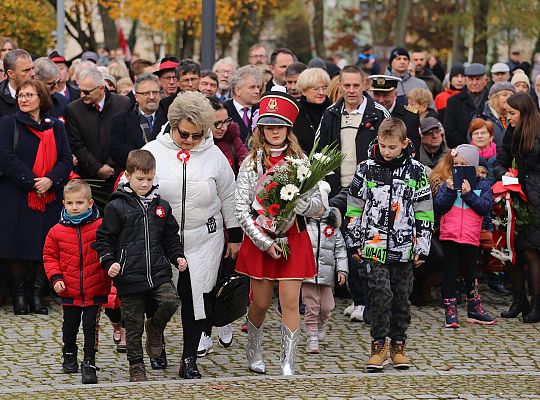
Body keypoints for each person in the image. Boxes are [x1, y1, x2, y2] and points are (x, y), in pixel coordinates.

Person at [143, 91, 241, 378]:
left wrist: (234, 235)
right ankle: (156, 332)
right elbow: (132, 187)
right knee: (160, 299)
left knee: (197, 298)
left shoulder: (215, 156)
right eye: (184, 134)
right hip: (162, 240)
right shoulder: (153, 151)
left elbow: (229, 196)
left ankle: (189, 359)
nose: (189, 141)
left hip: (204, 239)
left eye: (197, 135)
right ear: (173, 125)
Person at [235, 91, 323, 376]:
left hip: (293, 240)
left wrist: (299, 201)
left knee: (289, 301)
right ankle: (254, 350)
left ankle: (288, 360)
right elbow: (241, 210)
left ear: (289, 128)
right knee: (259, 303)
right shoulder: (250, 164)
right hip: (260, 241)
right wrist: (263, 242)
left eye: (280, 125)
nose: (275, 131)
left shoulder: (301, 163)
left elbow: (318, 207)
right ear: (261, 128)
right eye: (269, 125)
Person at [345, 117, 433, 371]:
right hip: (373, 244)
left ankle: (398, 345)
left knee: (401, 298)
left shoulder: (416, 171)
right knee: (380, 294)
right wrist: (354, 241)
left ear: (404, 144)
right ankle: (378, 344)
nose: (386, 151)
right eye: (383, 146)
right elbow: (354, 207)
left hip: (405, 247)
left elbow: (424, 211)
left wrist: (422, 246)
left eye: (392, 147)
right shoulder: (366, 169)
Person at [95, 149, 185, 382]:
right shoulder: (117, 206)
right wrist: (110, 262)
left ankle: (154, 328)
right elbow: (105, 238)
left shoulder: (161, 206)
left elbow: (170, 237)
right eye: (140, 179)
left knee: (170, 301)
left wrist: (177, 257)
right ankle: (136, 366)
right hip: (129, 275)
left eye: (150, 179)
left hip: (157, 270)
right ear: (127, 175)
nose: (145, 184)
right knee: (133, 325)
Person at [316, 65, 389, 324]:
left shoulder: (378, 113)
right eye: (346, 85)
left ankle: (370, 302)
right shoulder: (331, 113)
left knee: (368, 247)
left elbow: (390, 151)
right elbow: (320, 150)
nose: (351, 90)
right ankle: (358, 300)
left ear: (364, 85)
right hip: (339, 191)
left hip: (369, 193)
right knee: (347, 245)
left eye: (356, 85)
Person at [0, 80, 73, 315]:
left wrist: (50, 180)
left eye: (29, 95)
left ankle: (38, 295)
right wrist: (32, 182)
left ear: (41, 99)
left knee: (45, 247)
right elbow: (5, 157)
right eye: (20, 95)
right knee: (18, 245)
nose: (23, 99)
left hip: (49, 195)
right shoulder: (8, 124)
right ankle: (20, 296)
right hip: (18, 195)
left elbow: (65, 158)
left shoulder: (55, 127)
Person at [43, 179, 110, 384]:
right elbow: (50, 257)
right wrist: (56, 278)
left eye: (79, 203)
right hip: (69, 289)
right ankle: (69, 352)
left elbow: (109, 250)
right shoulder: (56, 231)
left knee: (91, 327)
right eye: (70, 203)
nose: (74, 207)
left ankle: (89, 361)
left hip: (95, 287)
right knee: (69, 326)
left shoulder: (101, 226)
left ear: (90, 203)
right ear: (64, 204)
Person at [432, 145, 496, 328]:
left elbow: (485, 207)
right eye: (456, 164)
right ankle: (450, 310)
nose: (459, 168)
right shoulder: (448, 183)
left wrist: (468, 194)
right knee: (450, 272)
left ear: (474, 168)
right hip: (450, 234)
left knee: (471, 273)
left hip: (470, 235)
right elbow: (439, 207)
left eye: (464, 165)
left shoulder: (482, 185)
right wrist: (451, 191)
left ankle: (474, 308)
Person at [494, 92, 540, 323]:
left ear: (524, 112)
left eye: (512, 113)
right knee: (511, 252)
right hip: (514, 197)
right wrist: (504, 176)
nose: (508, 117)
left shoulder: (538, 130)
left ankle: (536, 302)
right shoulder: (511, 132)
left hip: (536, 200)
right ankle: (519, 299)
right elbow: (500, 161)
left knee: (532, 252)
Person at [66, 69, 131, 208]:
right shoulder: (73, 109)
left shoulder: (123, 103)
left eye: (86, 91)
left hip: (120, 175)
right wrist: (97, 168)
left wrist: (111, 165)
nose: (82, 95)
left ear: (101, 88)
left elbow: (125, 138)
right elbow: (76, 144)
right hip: (90, 178)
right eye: (80, 90)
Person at [303, 182, 348, 354]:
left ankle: (322, 323)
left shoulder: (332, 227)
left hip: (326, 274)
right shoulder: (305, 226)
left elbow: (340, 248)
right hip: (308, 274)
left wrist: (342, 269)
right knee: (311, 305)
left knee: (327, 306)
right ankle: (312, 334)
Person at [109, 73, 161, 171]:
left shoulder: (169, 119)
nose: (151, 97)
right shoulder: (120, 120)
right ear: (136, 96)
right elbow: (116, 150)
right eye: (146, 93)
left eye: (155, 92)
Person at [368, 75, 422, 159]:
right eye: (377, 95)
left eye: (385, 95)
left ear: (396, 94)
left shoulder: (410, 116)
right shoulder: (368, 115)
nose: (381, 100)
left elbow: (414, 150)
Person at [444, 63, 489, 147]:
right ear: (466, 80)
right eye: (471, 79)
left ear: (485, 80)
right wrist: (467, 146)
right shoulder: (453, 102)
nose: (474, 83)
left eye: (478, 79)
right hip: (462, 150)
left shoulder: (492, 100)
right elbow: (449, 130)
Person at [293, 67, 332, 153]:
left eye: (324, 88)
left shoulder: (333, 111)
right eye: (315, 89)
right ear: (303, 91)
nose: (321, 92)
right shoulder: (296, 112)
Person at [207, 96, 248, 177]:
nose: (224, 128)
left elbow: (247, 165)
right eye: (218, 123)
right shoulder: (191, 142)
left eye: (226, 121)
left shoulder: (232, 137)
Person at [224, 65, 263, 143]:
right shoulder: (224, 110)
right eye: (252, 87)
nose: (257, 91)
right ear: (238, 90)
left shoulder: (262, 110)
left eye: (258, 87)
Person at [473, 82, 515, 147]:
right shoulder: (481, 116)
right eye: (504, 95)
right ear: (494, 97)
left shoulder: (515, 116)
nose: (508, 98)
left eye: (511, 96)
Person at [0, 49, 35, 118]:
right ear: (11, 74)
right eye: (26, 70)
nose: (33, 73)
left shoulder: (42, 94)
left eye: (33, 68)